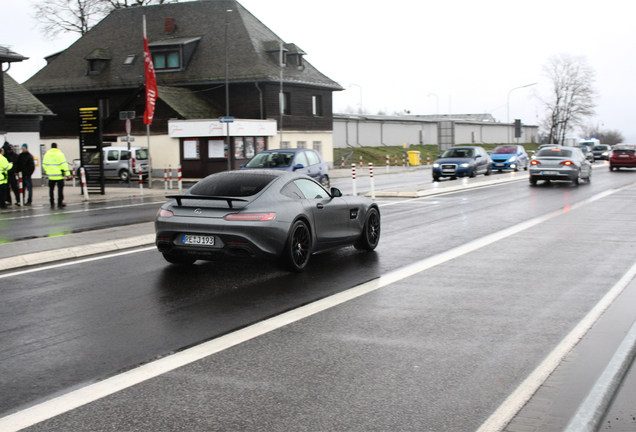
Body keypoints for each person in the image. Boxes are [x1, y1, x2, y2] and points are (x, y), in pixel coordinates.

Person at [43, 142, 71, 208]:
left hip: (51, 176)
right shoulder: (60, 154)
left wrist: (48, 171)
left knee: (51, 189)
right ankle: (60, 202)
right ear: (56, 147)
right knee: (60, 189)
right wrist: (68, 174)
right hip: (59, 175)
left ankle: (52, 202)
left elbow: (44, 165)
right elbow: (64, 165)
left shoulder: (47, 154)